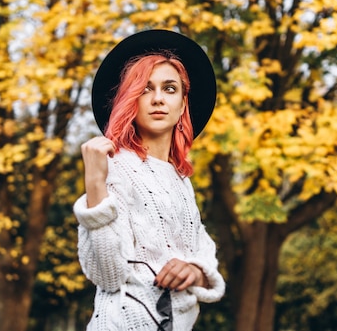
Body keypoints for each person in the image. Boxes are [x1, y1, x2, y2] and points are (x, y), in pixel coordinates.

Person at [73, 29, 225, 330]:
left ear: (183, 104)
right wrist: (94, 185)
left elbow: (201, 248)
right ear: (131, 100)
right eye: (145, 89)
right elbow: (108, 275)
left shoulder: (180, 178)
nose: (157, 99)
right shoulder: (115, 168)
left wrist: (194, 271)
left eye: (170, 89)